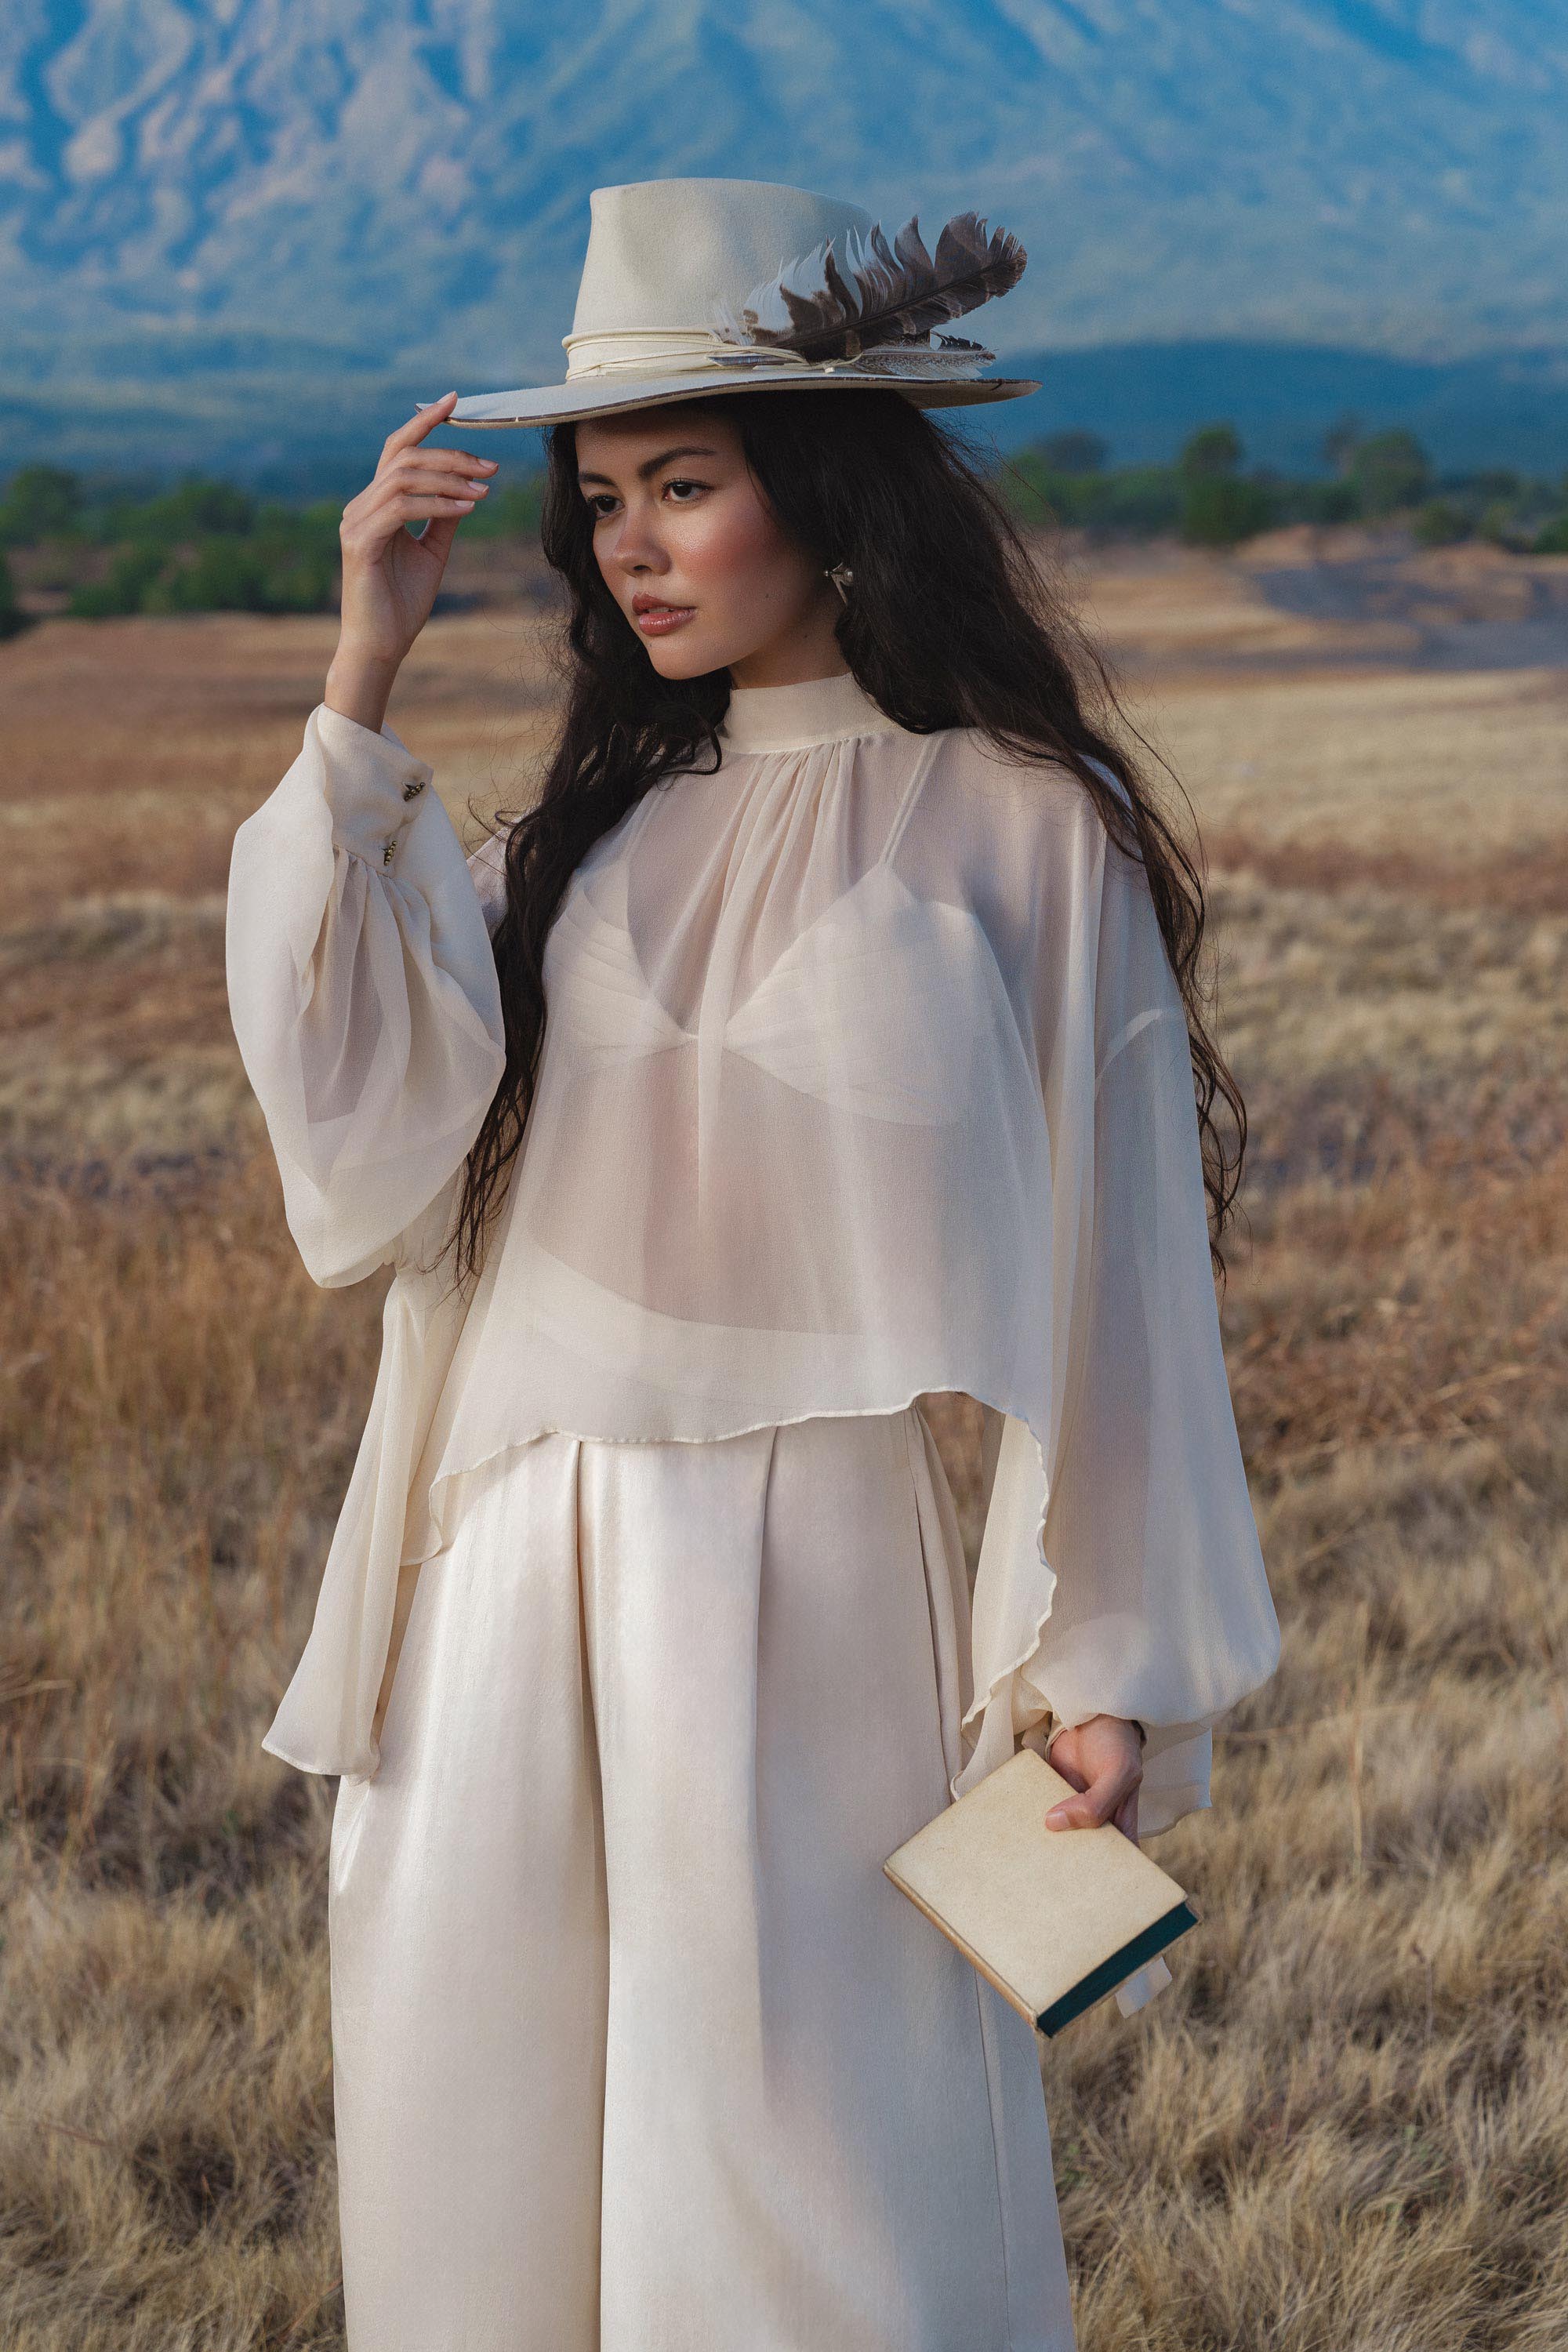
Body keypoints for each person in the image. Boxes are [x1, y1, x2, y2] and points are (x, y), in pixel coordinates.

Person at [227, 177, 1281, 2352]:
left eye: (684, 486)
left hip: (829, 1602)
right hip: (504, 1584)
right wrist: (366, 661)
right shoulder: (571, 844)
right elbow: (348, 1123)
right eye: (601, 497)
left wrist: (1108, 1661)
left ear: (827, 495)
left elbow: (1125, 1274)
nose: (629, 544)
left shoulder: (1019, 825)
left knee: (828, 2211)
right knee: (482, 2184)